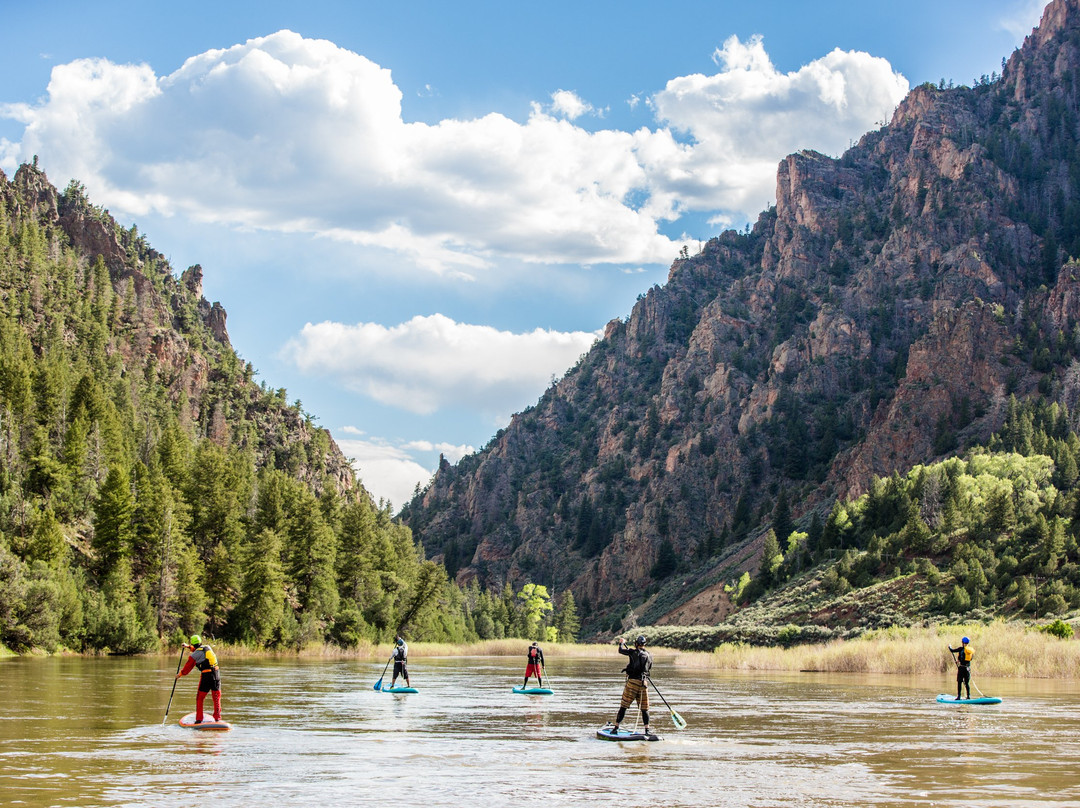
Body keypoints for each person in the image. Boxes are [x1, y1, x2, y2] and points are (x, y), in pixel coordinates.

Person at [609, 635, 653, 736]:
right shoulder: (649, 655)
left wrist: (621, 642)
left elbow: (620, 650)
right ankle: (647, 730)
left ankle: (616, 728)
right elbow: (649, 667)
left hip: (632, 682)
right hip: (643, 684)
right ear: (644, 644)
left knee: (624, 705)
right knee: (644, 708)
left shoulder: (632, 652)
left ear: (636, 644)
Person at [176, 634, 221, 723]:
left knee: (200, 698)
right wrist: (188, 647)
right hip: (216, 674)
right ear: (200, 642)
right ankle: (217, 718)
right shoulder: (207, 647)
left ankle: (199, 719)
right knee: (216, 697)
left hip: (206, 676)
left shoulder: (194, 656)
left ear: (193, 643)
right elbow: (199, 650)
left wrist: (180, 675)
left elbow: (187, 668)